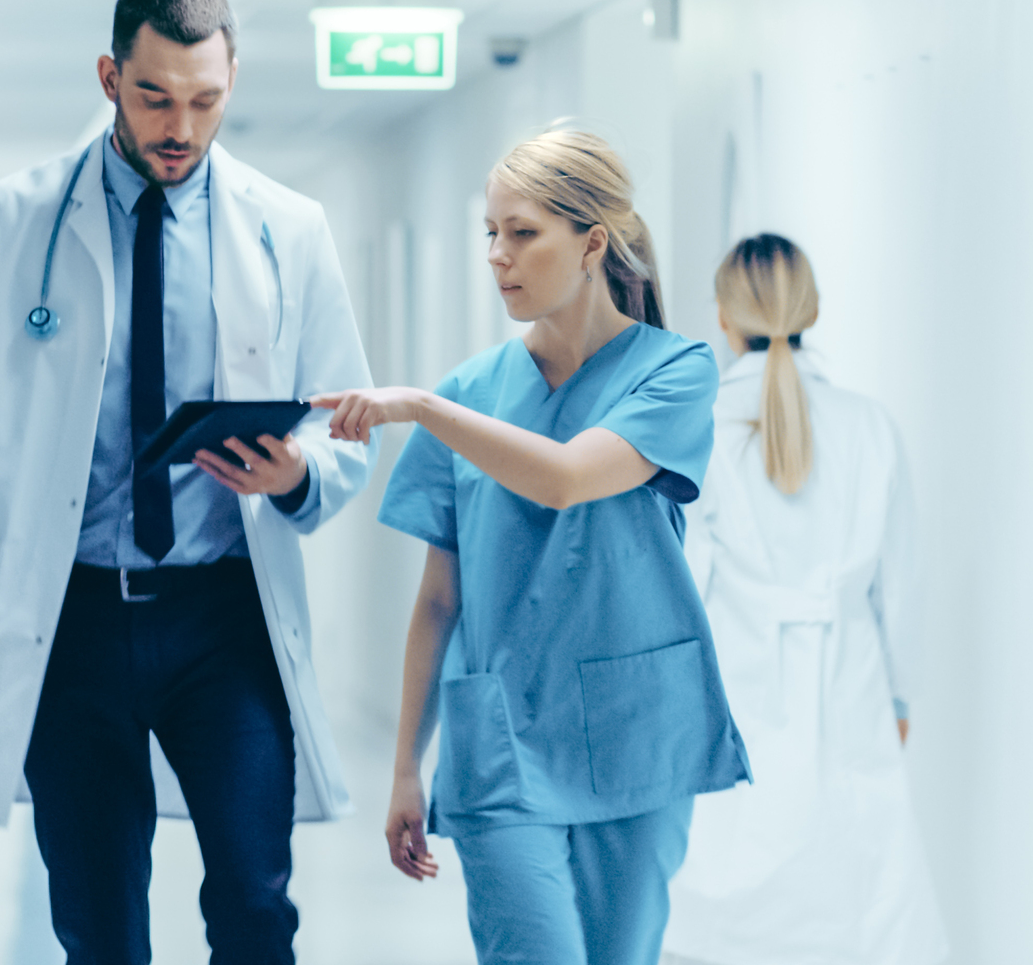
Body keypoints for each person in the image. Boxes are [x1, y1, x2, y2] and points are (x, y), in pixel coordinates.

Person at [0, 0, 376, 964]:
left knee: (253, 900)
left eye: (205, 100)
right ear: (110, 77)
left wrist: (293, 476)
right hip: (71, 621)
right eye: (155, 97)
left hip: (224, 621)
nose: (180, 128)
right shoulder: (8, 223)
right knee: (99, 920)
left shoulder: (291, 230)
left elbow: (346, 422)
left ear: (233, 77)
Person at [313, 130, 751, 965]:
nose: (497, 255)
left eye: (522, 233)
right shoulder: (471, 394)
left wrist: (418, 408)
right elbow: (439, 601)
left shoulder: (676, 371)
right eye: (490, 232)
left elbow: (563, 478)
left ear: (591, 243)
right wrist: (405, 765)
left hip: (636, 734)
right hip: (501, 742)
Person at [660, 235, 948, 965]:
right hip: (851, 684)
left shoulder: (700, 430)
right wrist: (902, 702)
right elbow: (901, 589)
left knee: (731, 896)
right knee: (861, 900)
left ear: (723, 318)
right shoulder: (870, 426)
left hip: (738, 683)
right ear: (810, 309)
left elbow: (683, 588)